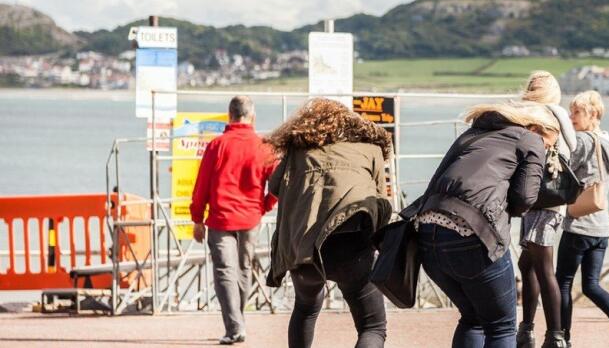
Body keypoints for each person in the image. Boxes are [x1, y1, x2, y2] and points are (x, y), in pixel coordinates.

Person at [404, 102, 558, 348]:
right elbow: (526, 197)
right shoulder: (530, 138)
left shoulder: (474, 133)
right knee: (502, 325)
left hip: (427, 233)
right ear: (537, 127)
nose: (547, 149)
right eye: (549, 144)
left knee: (472, 318)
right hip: (474, 232)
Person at [265, 98, 394, 348]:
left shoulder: (298, 151)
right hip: (352, 244)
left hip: (303, 248)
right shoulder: (370, 149)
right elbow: (380, 200)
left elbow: (275, 186)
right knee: (373, 326)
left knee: (306, 308)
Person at [190, 96, 278, 345]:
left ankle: (234, 326)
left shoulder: (217, 145)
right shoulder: (264, 146)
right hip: (251, 217)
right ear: (252, 116)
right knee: (244, 268)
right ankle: (238, 323)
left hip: (220, 218)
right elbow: (279, 182)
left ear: (229, 115)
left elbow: (201, 186)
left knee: (224, 271)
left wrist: (197, 219)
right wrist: (264, 205)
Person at [555, 91, 609, 348]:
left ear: (592, 114)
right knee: (591, 285)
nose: (571, 117)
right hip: (601, 228)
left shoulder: (580, 141)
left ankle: (564, 339)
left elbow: (562, 170)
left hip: (579, 224)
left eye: (576, 112)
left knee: (563, 283)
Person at [516, 71, 577, 348]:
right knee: (526, 263)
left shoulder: (543, 117)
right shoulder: (558, 116)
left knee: (542, 266)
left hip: (543, 200)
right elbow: (573, 146)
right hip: (544, 200)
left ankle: (555, 335)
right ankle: (526, 329)